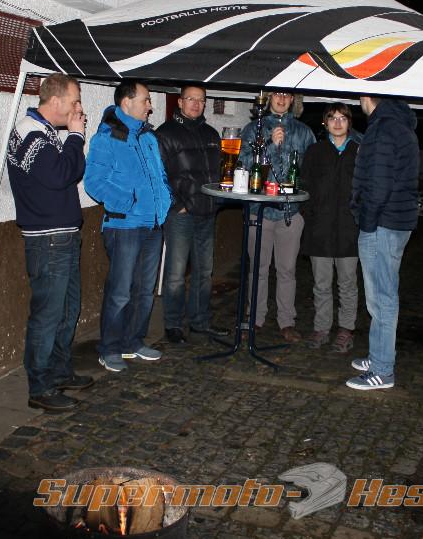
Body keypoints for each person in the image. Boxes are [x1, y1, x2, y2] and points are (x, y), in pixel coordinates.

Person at [6, 73, 94, 411]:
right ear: (55, 101)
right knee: (48, 315)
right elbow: (62, 175)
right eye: (75, 101)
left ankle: (58, 372)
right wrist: (76, 136)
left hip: (61, 237)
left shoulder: (43, 132)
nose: (79, 108)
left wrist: (71, 137)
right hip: (48, 240)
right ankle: (40, 388)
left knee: (67, 310)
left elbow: (63, 174)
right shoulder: (31, 133)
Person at [84, 81, 172, 372]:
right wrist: (127, 202)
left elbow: (159, 175)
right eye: (146, 100)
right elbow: (94, 182)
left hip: (153, 224)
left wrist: (165, 200)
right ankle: (109, 348)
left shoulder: (148, 137)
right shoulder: (107, 138)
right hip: (124, 226)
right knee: (120, 291)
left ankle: (133, 342)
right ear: (127, 103)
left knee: (145, 290)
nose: (150, 106)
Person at [347, 96, 419, 390]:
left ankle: (382, 370)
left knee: (382, 298)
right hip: (395, 222)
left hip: (382, 225)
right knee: (381, 296)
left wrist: (366, 223)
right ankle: (378, 356)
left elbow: (377, 185)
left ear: (366, 97)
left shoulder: (383, 128)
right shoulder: (400, 125)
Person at [155, 85, 230, 343]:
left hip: (207, 211)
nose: (196, 104)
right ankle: (173, 324)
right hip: (181, 214)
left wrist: (219, 198)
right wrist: (178, 205)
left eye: (201, 100)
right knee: (176, 273)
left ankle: (200, 321)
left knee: (204, 272)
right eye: (191, 99)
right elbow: (158, 176)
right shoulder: (165, 134)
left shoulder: (211, 134)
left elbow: (218, 171)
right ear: (180, 102)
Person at [240, 91, 316, 342]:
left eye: (287, 95)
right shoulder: (253, 129)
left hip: (290, 212)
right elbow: (243, 164)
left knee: (287, 270)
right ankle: (255, 318)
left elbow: (314, 170)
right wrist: (270, 144)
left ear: (293, 100)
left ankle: (286, 321)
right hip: (259, 210)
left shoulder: (304, 132)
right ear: (268, 98)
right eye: (277, 94)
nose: (282, 99)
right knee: (258, 269)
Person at [300, 103, 361, 352]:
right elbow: (304, 185)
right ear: (325, 123)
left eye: (342, 118)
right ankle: (322, 328)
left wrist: (359, 217)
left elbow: (365, 189)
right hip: (320, 230)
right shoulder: (315, 151)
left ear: (349, 123)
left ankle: (346, 329)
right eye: (332, 118)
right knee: (321, 283)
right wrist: (311, 216)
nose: (337, 123)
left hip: (349, 230)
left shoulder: (359, 152)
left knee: (347, 283)